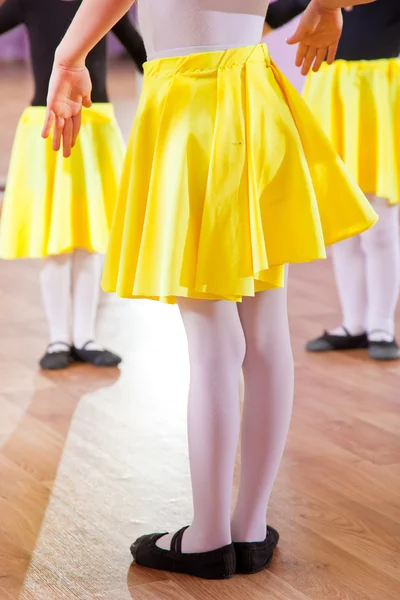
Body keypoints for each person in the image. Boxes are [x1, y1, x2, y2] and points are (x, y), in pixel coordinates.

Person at [42, 0, 377, 580]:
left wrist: (69, 54)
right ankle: (250, 529)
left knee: (211, 339)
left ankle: (208, 537)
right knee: (268, 331)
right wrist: (325, 5)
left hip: (189, 101)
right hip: (260, 94)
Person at [0, 0, 147, 370]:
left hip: (96, 127)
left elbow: (142, 52)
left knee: (90, 237)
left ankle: (85, 335)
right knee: (56, 240)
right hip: (46, 125)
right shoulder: (29, 1)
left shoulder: (100, 4)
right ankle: (58, 339)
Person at [265, 0, 400, 360]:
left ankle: (382, 324)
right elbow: (282, 10)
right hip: (332, 85)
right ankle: (354, 322)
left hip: (380, 87)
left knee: (382, 217)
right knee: (341, 210)